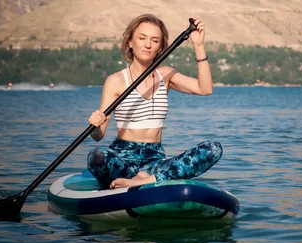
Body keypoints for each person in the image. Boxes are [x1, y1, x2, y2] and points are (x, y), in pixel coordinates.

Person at [87, 14, 222, 189]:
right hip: (122, 159)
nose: (148, 44)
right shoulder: (115, 81)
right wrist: (95, 125)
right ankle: (138, 178)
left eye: (155, 40)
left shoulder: (165, 75)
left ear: (160, 47)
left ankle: (147, 180)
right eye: (142, 38)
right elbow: (98, 136)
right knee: (95, 157)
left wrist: (198, 45)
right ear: (130, 42)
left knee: (213, 149)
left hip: (155, 161)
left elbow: (205, 89)